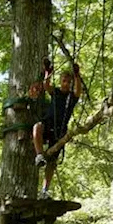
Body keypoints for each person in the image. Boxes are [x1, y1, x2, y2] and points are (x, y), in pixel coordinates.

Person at [33, 59, 83, 197]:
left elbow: (78, 90)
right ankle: (39, 155)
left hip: (60, 131)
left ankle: (44, 190)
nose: (66, 83)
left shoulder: (71, 97)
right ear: (61, 81)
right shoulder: (55, 92)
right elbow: (46, 85)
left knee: (52, 162)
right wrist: (48, 72)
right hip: (48, 124)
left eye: (69, 81)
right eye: (64, 80)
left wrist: (77, 75)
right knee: (37, 127)